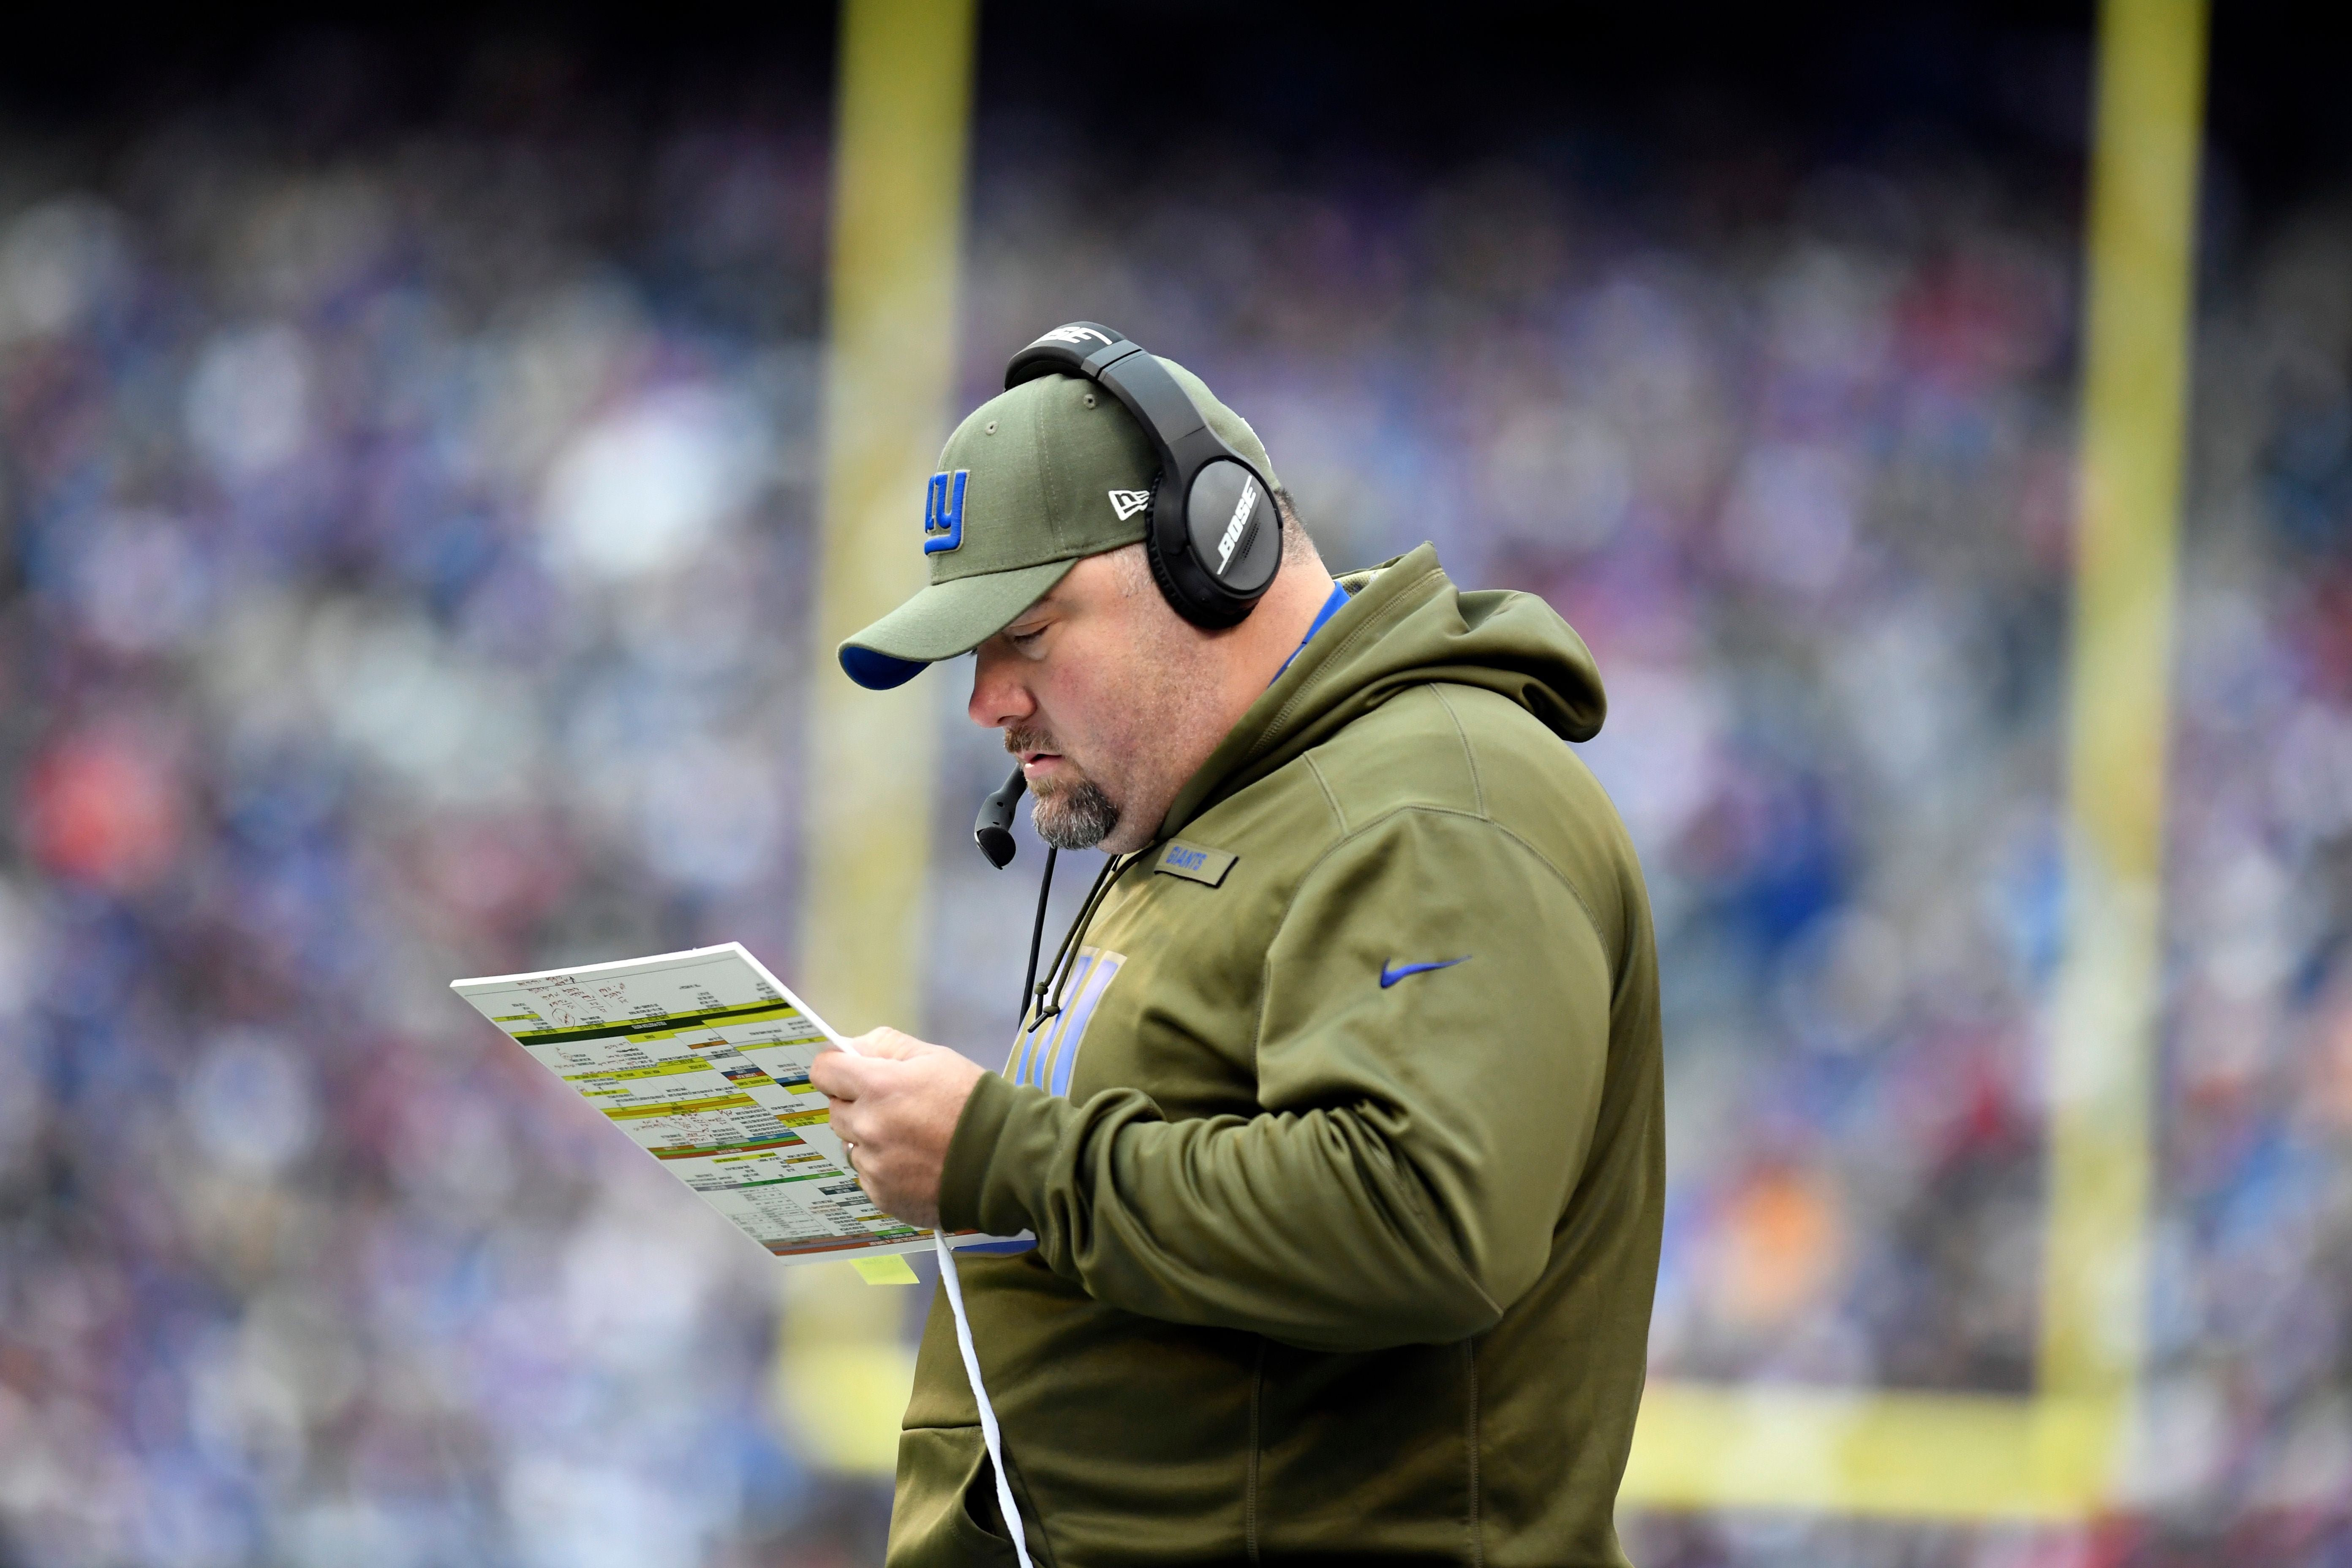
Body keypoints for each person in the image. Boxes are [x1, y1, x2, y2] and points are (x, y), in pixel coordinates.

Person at [808, 326, 1663, 1568]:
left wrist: (994, 1153)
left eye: (1030, 632)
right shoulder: (1231, 808)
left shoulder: (1428, 809)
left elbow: (1423, 1217)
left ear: (1212, 560)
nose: (988, 698)